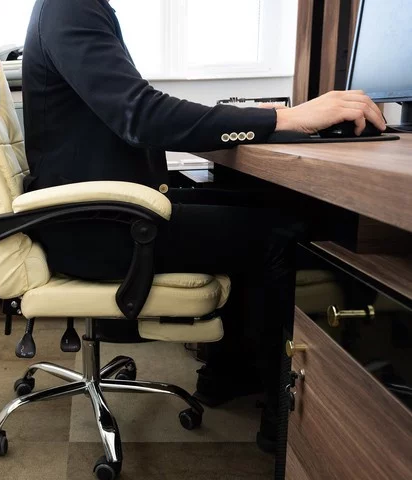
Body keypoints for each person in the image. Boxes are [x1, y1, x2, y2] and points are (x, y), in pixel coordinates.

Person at [21, 0, 386, 452]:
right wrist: (285, 117)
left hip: (100, 213)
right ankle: (282, 422)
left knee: (263, 205)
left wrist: (260, 117)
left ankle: (226, 375)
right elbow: (141, 115)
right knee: (277, 233)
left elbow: (136, 110)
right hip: (97, 229)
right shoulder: (69, 6)